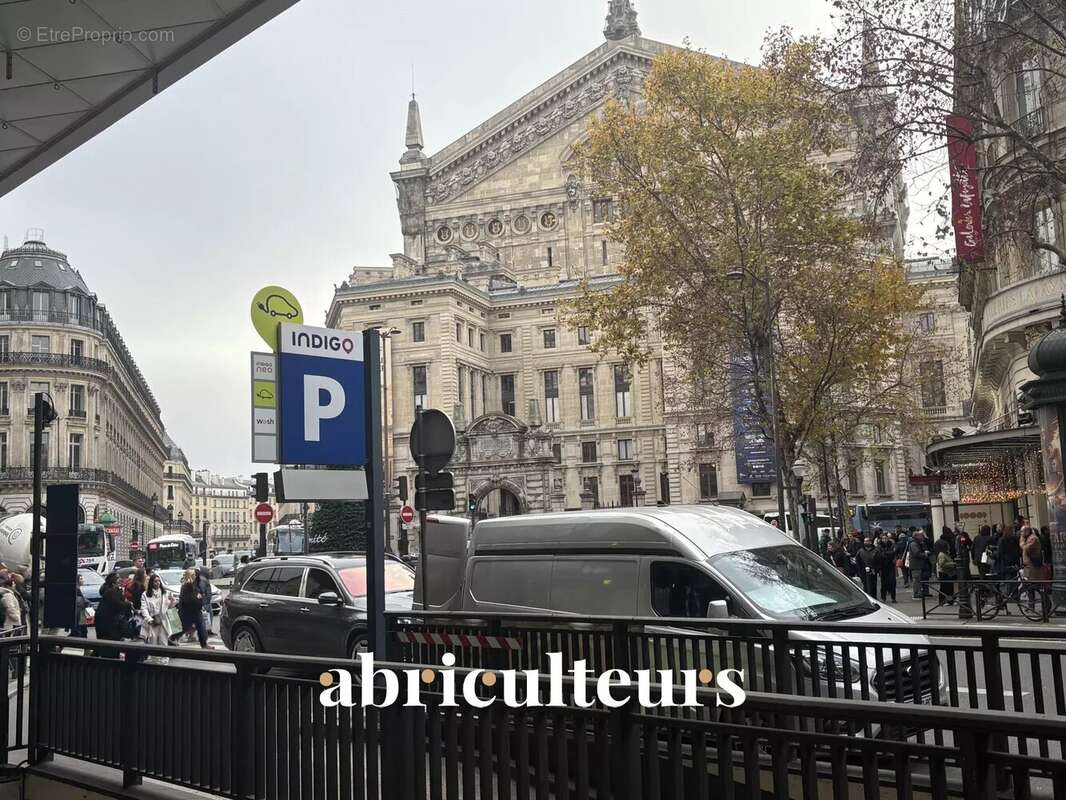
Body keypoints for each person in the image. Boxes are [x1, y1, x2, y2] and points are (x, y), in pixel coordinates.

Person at [94, 573, 132, 658]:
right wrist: (128, 604)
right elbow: (118, 605)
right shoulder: (111, 592)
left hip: (106, 623)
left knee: (106, 645)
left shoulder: (113, 591)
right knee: (109, 647)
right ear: (113, 583)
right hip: (108, 624)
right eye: (117, 579)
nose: (120, 580)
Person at [139, 574, 174, 661]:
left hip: (163, 621)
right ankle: (153, 661)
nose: (157, 583)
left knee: (163, 642)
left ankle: (164, 661)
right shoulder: (145, 594)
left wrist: (172, 600)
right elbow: (144, 608)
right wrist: (149, 619)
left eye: (159, 581)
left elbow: (169, 607)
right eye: (155, 581)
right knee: (152, 642)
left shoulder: (164, 593)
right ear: (151, 582)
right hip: (152, 622)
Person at [178, 569, 210, 649]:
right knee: (184, 628)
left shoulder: (194, 585)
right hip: (188, 611)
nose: (195, 576)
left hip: (196, 610)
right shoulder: (187, 586)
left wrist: (199, 597)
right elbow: (188, 599)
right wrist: (198, 597)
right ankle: (173, 638)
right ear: (190, 576)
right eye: (193, 575)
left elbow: (199, 595)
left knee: (201, 627)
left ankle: (204, 644)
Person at [909, 529, 932, 599]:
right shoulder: (913, 544)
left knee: (924, 578)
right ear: (916, 536)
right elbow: (916, 553)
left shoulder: (921, 543)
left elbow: (927, 547)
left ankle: (925, 592)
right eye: (920, 536)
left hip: (923, 564)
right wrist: (925, 554)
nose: (921, 537)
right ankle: (917, 593)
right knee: (917, 579)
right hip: (916, 565)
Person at [878, 532, 898, 602]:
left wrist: (887, 553)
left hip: (891, 566)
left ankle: (893, 598)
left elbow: (894, 552)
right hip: (883, 567)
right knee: (884, 583)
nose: (884, 540)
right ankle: (883, 597)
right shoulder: (879, 546)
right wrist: (889, 553)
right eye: (883, 538)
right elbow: (881, 555)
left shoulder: (892, 544)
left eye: (886, 538)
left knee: (892, 582)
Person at [70, 574, 89, 638]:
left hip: (79, 614)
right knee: (82, 631)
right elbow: (81, 601)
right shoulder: (77, 590)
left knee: (77, 632)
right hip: (79, 615)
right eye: (81, 579)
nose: (83, 580)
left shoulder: (78, 589)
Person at [196, 567, 214, 634]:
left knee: (209, 616)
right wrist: (203, 602)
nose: (210, 572)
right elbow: (202, 591)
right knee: (205, 616)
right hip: (205, 602)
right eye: (208, 571)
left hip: (206, 601)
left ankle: (208, 630)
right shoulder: (203, 580)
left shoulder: (204, 579)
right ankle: (205, 631)